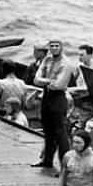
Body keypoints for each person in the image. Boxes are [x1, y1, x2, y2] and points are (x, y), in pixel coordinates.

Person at [34, 39, 74, 173]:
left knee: (60, 133)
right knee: (47, 130)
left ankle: (65, 166)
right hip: (47, 96)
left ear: (61, 47)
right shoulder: (47, 60)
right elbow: (36, 79)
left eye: (57, 46)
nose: (54, 48)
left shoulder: (66, 63)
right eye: (52, 46)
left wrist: (44, 81)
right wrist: (48, 81)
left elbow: (59, 85)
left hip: (58, 98)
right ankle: (47, 160)